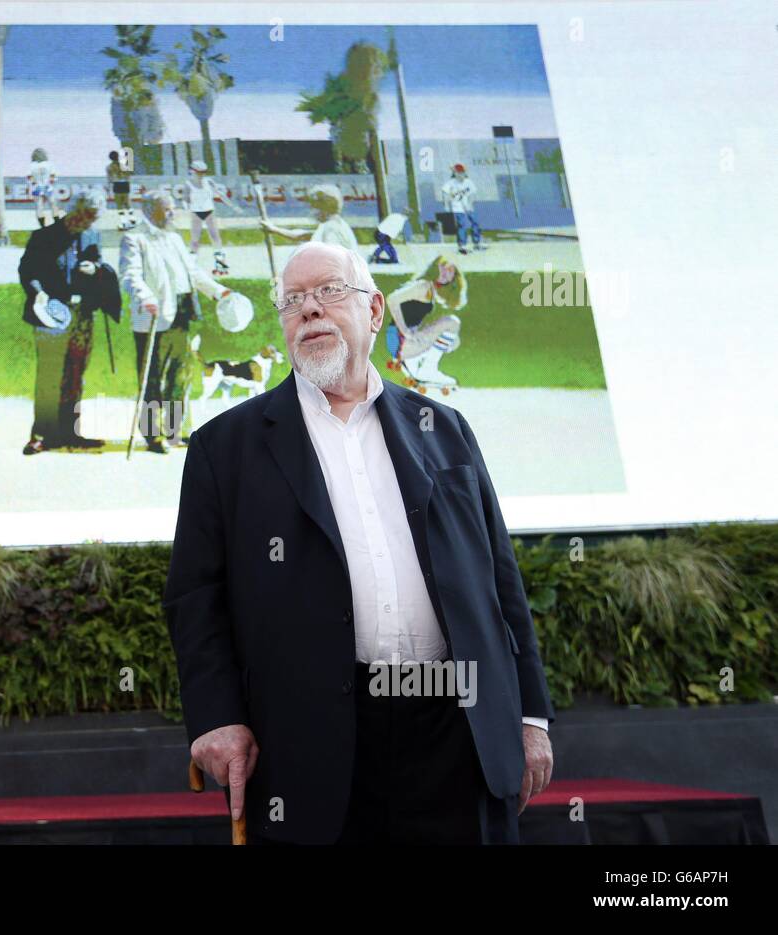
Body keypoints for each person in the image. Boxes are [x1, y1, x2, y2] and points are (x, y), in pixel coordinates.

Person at [164, 241, 554, 845]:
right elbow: (196, 598)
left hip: (458, 732)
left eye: (328, 292)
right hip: (312, 740)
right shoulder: (226, 448)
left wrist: (530, 715)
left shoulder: (443, 429)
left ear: (374, 311)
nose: (310, 310)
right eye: (292, 301)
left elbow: (499, 578)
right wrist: (217, 719)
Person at [119, 189, 231, 453]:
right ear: (149, 210)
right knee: (152, 379)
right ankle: (152, 435)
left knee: (180, 375)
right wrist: (146, 296)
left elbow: (193, 272)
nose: (172, 213)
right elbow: (130, 275)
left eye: (172, 208)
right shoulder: (134, 239)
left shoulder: (174, 238)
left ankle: (175, 431)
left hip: (181, 314)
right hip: (153, 317)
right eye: (166, 208)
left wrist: (218, 291)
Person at [17, 190, 107, 454]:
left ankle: (70, 432)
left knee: (76, 374)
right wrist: (39, 292)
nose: (89, 223)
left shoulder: (92, 235)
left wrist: (96, 269)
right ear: (74, 211)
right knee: (49, 375)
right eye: (86, 216)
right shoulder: (44, 237)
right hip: (51, 312)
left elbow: (100, 264)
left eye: (94, 218)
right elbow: (27, 271)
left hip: (82, 315)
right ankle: (42, 434)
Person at [385, 255, 466, 391]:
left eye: (451, 270)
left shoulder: (431, 290)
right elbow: (392, 299)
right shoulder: (423, 287)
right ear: (436, 267)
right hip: (400, 341)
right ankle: (427, 369)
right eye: (443, 267)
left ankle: (417, 366)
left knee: (453, 339)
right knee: (452, 323)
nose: (446, 272)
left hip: (404, 343)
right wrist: (404, 330)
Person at [181, 159, 242, 276]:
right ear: (192, 171)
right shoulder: (188, 184)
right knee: (195, 240)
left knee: (215, 238)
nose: (201, 175)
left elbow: (221, 195)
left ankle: (220, 264)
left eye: (203, 172)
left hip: (209, 211)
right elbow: (185, 199)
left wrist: (233, 207)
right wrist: (186, 208)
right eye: (199, 172)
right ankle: (191, 267)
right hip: (196, 212)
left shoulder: (209, 182)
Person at [259, 183, 359, 251]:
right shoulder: (333, 224)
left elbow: (329, 261)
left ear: (323, 207)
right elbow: (302, 235)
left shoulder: (331, 228)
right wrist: (274, 229)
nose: (312, 212)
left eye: (313, 207)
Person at [440, 163, 486, 255]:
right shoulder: (451, 183)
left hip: (468, 207)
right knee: (462, 225)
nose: (461, 175)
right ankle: (462, 245)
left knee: (475, 223)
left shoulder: (468, 182)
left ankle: (476, 243)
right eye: (459, 173)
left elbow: (473, 193)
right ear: (455, 173)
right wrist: (446, 205)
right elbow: (445, 193)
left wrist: (470, 204)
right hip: (457, 208)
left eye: (462, 173)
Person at [28, 147, 58, 228]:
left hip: (41, 187)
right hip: (44, 187)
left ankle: (45, 225)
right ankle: (49, 223)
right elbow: (53, 176)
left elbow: (29, 177)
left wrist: (37, 185)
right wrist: (47, 184)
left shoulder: (33, 165)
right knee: (49, 204)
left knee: (42, 205)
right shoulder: (48, 164)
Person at [106, 150, 134, 229]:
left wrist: (109, 188)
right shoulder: (123, 165)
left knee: (119, 205)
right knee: (127, 204)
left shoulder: (109, 167)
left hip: (117, 184)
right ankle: (132, 220)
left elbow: (109, 179)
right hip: (125, 184)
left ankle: (124, 223)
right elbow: (129, 174)